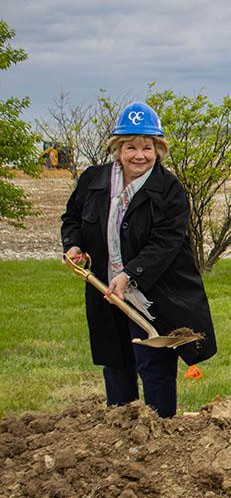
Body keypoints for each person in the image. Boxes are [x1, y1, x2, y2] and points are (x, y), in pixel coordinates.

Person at [61, 102, 216, 418]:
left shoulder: (169, 190)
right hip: (104, 290)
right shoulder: (93, 180)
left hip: (151, 293)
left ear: (159, 149)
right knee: (116, 363)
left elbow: (166, 243)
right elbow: (72, 218)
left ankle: (160, 434)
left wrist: (130, 274)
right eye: (131, 147)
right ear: (118, 149)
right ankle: (121, 429)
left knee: (154, 364)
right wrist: (74, 245)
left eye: (147, 147)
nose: (139, 155)